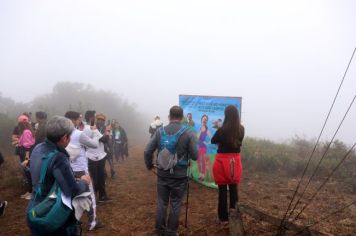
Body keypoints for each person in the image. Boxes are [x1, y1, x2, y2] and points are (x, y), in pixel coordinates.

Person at [27, 116, 91, 235]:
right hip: (52, 212)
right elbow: (71, 191)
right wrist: (83, 181)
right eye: (70, 136)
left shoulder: (38, 148)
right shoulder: (58, 157)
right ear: (64, 137)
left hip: (36, 207)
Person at [144, 105, 198, 236]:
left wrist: (150, 165)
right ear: (182, 117)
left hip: (162, 173)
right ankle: (172, 232)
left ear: (169, 117)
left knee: (162, 202)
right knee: (175, 203)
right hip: (179, 176)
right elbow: (195, 156)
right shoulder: (189, 132)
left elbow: (147, 151)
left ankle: (160, 230)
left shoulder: (159, 131)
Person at [64, 111, 104, 231]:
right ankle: (92, 222)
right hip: (81, 171)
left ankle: (70, 223)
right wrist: (96, 134)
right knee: (90, 196)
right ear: (76, 120)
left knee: (69, 197)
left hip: (67, 169)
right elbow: (94, 145)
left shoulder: (62, 133)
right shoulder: (77, 134)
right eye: (78, 119)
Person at [211, 105, 245, 224]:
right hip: (235, 162)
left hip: (221, 161)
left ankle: (223, 218)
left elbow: (213, 140)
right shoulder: (241, 129)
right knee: (234, 189)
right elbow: (239, 142)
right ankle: (234, 217)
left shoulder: (222, 130)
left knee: (222, 191)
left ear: (226, 115)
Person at [84, 111, 112, 203]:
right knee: (94, 178)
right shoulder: (91, 128)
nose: (100, 121)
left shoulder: (98, 128)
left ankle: (102, 196)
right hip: (92, 157)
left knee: (101, 177)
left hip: (100, 156)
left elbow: (106, 140)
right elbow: (104, 139)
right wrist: (107, 131)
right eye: (98, 119)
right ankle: (92, 198)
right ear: (92, 118)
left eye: (102, 120)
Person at [197, 114, 212, 181]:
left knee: (202, 160)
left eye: (206, 119)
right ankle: (200, 174)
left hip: (203, 148)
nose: (204, 120)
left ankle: (203, 175)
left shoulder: (207, 130)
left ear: (207, 121)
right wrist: (201, 130)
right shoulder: (200, 128)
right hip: (198, 147)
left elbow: (211, 138)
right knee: (198, 160)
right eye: (203, 119)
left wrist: (207, 143)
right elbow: (197, 138)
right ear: (201, 120)